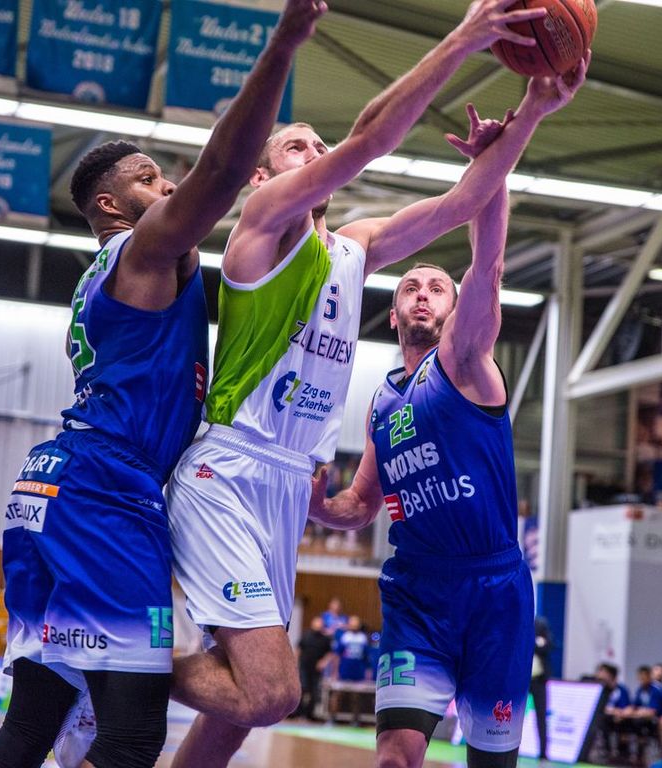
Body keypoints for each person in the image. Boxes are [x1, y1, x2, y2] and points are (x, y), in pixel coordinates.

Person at [160, 3, 589, 766]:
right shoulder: (263, 220)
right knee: (271, 693)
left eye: (317, 144)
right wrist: (466, 36)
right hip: (232, 466)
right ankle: (113, 646)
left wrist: (533, 108)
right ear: (262, 174)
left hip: (288, 486)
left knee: (238, 711)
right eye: (297, 145)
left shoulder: (353, 248)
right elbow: (371, 139)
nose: (316, 151)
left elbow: (465, 204)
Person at [0, 4, 326, 766]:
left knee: (33, 721)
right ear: (110, 207)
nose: (166, 186)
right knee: (133, 735)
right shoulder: (141, 249)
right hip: (105, 491)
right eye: (147, 179)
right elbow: (224, 173)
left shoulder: (104, 280)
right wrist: (284, 43)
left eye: (163, 175)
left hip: (54, 487)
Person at [304, 90, 589, 763]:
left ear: (458, 310)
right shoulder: (380, 402)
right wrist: (316, 503)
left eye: (437, 287)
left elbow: (488, 262)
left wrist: (495, 166)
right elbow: (358, 506)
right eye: (410, 287)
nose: (423, 294)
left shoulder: (463, 362)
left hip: (494, 590)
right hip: (417, 591)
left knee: (490, 761)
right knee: (395, 755)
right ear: (393, 313)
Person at [530, 617, 553, 761]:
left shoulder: (540, 624)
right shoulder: (518, 622)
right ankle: (509, 748)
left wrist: (532, 643)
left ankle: (543, 753)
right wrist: (536, 642)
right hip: (522, 680)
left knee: (541, 716)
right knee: (513, 715)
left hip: (539, 680)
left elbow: (548, 645)